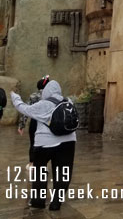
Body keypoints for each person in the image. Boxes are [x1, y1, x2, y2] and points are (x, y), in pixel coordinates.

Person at [11, 80, 76, 211]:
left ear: (46, 91)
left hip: (44, 144)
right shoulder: (69, 102)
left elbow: (23, 108)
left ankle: (38, 202)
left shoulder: (42, 104)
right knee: (63, 174)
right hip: (68, 142)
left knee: (40, 173)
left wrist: (15, 96)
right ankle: (56, 203)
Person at [18, 75, 50, 170]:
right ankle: (43, 165)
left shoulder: (33, 96)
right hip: (47, 122)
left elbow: (26, 111)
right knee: (46, 143)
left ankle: (32, 163)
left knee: (33, 143)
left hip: (34, 122)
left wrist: (21, 125)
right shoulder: (51, 97)